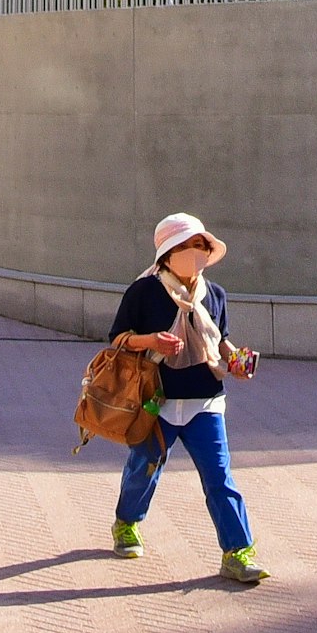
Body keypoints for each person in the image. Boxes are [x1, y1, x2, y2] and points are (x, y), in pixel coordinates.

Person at [108, 214, 267, 585]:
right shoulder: (143, 292)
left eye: (200, 245)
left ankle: (237, 552)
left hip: (206, 401)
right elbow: (117, 339)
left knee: (219, 477)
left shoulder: (214, 294)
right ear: (166, 254)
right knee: (144, 467)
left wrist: (235, 360)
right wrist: (152, 341)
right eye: (185, 246)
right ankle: (127, 524)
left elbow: (219, 340)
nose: (194, 252)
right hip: (155, 401)